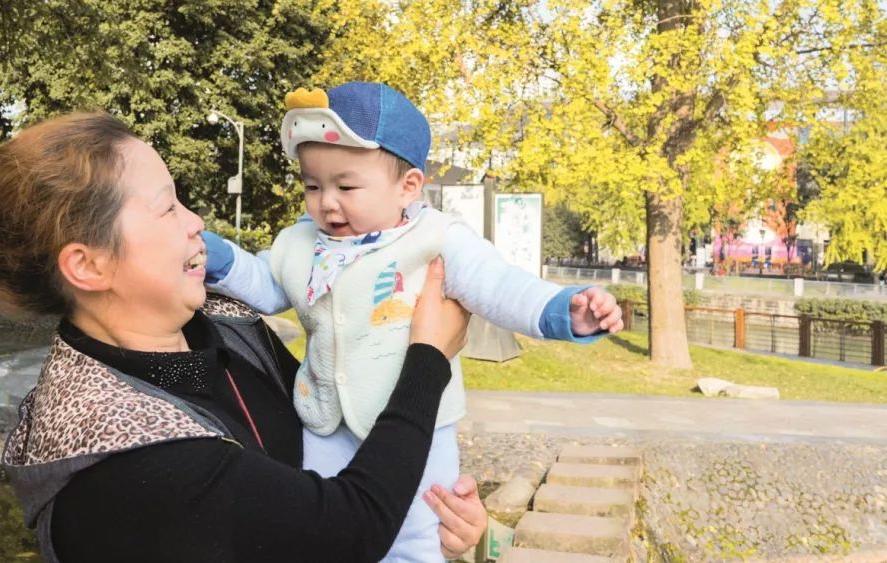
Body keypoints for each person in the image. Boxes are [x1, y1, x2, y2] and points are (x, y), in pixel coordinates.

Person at [0, 111, 486, 562]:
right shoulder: (125, 459)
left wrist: (436, 515)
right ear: (89, 265)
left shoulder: (223, 325)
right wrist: (427, 357)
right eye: (166, 207)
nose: (196, 222)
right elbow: (348, 530)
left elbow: (346, 429)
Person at [202, 82, 624, 562]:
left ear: (408, 186)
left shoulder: (437, 239)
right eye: (312, 186)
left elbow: (499, 286)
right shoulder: (301, 242)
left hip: (419, 424)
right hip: (323, 421)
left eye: (346, 186)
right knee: (324, 533)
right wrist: (218, 259)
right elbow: (269, 284)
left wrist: (562, 311)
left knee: (421, 533)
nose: (327, 203)